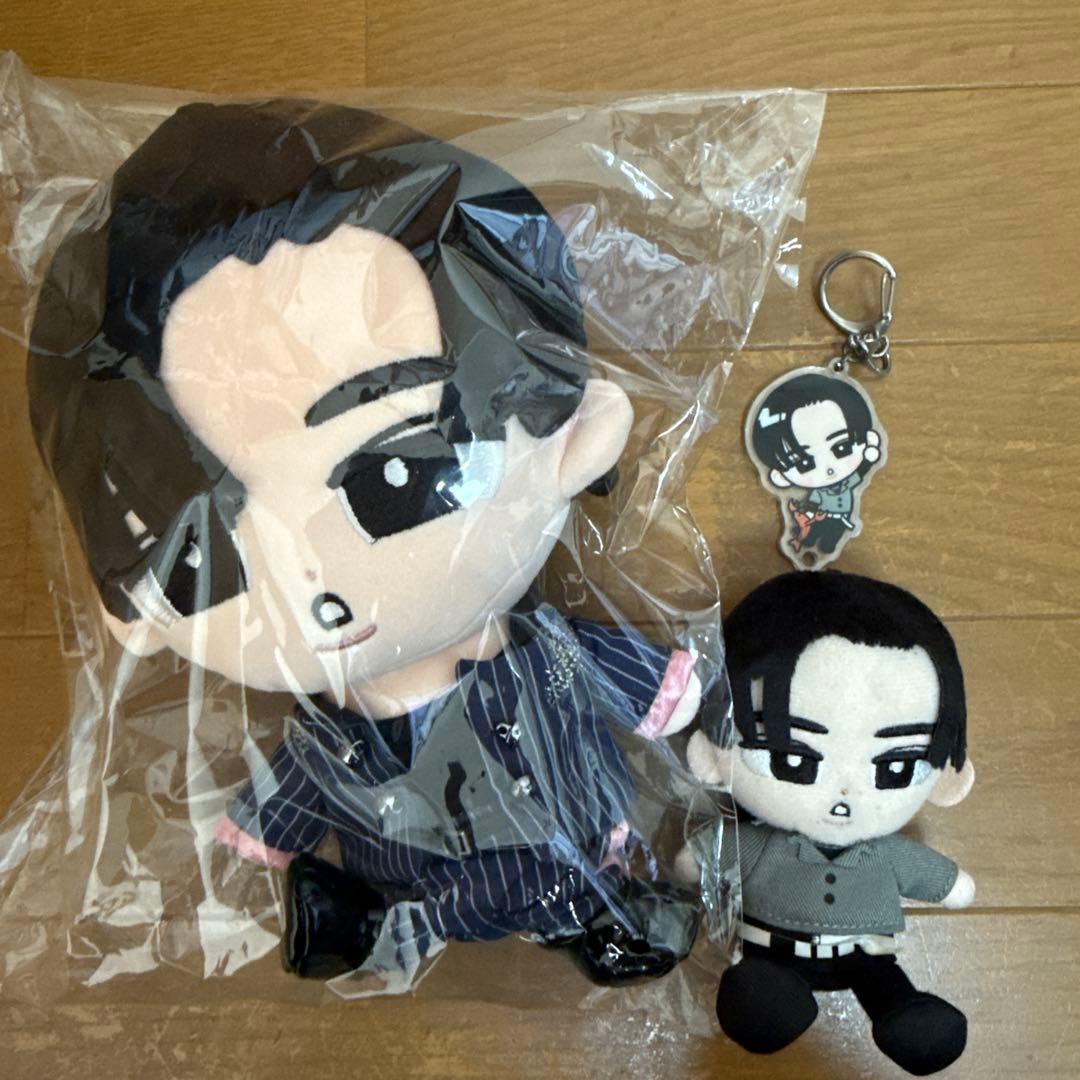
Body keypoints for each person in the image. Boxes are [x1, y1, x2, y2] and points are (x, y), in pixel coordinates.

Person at [28, 99, 703, 985]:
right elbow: (297, 789)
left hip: (558, 861)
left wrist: (671, 696)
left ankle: (573, 919)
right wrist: (268, 836)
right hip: (420, 889)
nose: (322, 592)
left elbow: (626, 679)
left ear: (576, 438)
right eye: (207, 558)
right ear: (137, 612)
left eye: (395, 477)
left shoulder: (541, 654)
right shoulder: (335, 740)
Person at [685, 571, 975, 1076]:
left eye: (895, 767)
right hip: (773, 956)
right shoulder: (760, 845)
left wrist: (954, 887)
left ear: (946, 775)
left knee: (885, 987)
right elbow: (702, 857)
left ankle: (903, 1013)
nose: (845, 795)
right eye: (792, 758)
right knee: (762, 998)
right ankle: (766, 1001)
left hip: (867, 958)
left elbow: (948, 883)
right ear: (715, 754)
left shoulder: (885, 855)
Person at [747, 371, 883, 558]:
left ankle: (826, 547)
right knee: (812, 533)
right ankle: (807, 543)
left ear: (867, 438)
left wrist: (868, 458)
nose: (828, 468)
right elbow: (810, 503)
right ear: (780, 476)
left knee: (831, 540)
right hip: (819, 517)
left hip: (840, 520)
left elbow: (862, 470)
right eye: (804, 462)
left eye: (841, 447)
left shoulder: (849, 482)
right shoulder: (818, 493)